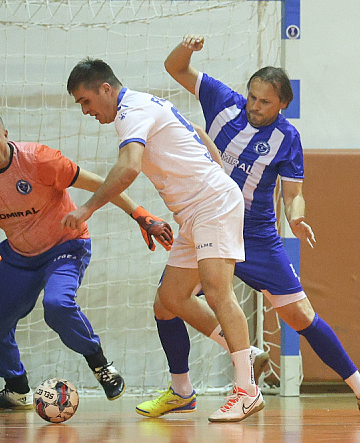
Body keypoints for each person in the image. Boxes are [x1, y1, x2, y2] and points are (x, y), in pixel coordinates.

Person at [143, 34, 360, 417]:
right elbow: (175, 68)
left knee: (301, 317)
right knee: (166, 304)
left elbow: (294, 192)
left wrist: (296, 216)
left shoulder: (287, 138)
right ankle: (184, 389)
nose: (255, 106)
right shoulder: (221, 101)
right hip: (209, 222)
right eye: (252, 97)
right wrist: (188, 47)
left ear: (282, 105)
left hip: (256, 236)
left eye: (265, 102)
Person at [62, 59, 262, 422]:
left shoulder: (130, 111)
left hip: (210, 205)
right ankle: (192, 386)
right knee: (169, 300)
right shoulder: (145, 103)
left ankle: (247, 390)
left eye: (85, 101)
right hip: (196, 211)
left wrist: (87, 209)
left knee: (218, 292)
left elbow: (129, 167)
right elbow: (197, 132)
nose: (86, 110)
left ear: (105, 89)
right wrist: (215, 174)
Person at [0, 110, 172, 410]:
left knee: (57, 305)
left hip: (65, 246)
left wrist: (140, 215)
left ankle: (100, 364)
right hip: (18, 255)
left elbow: (99, 184)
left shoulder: (39, 160)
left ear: (6, 134)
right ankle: (17, 390)